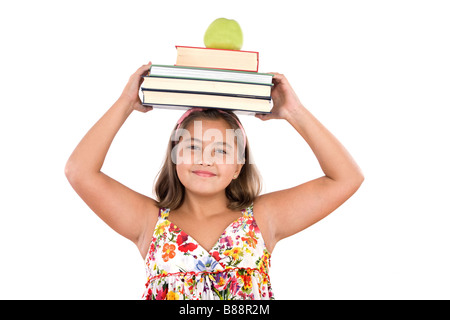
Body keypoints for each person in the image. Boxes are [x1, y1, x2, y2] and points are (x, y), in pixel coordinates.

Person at [65, 62, 364, 300]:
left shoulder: (263, 219)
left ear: (238, 166)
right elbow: (79, 171)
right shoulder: (148, 222)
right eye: (192, 146)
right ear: (174, 155)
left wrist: (293, 112)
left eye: (221, 150)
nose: (205, 159)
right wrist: (125, 103)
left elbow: (346, 178)